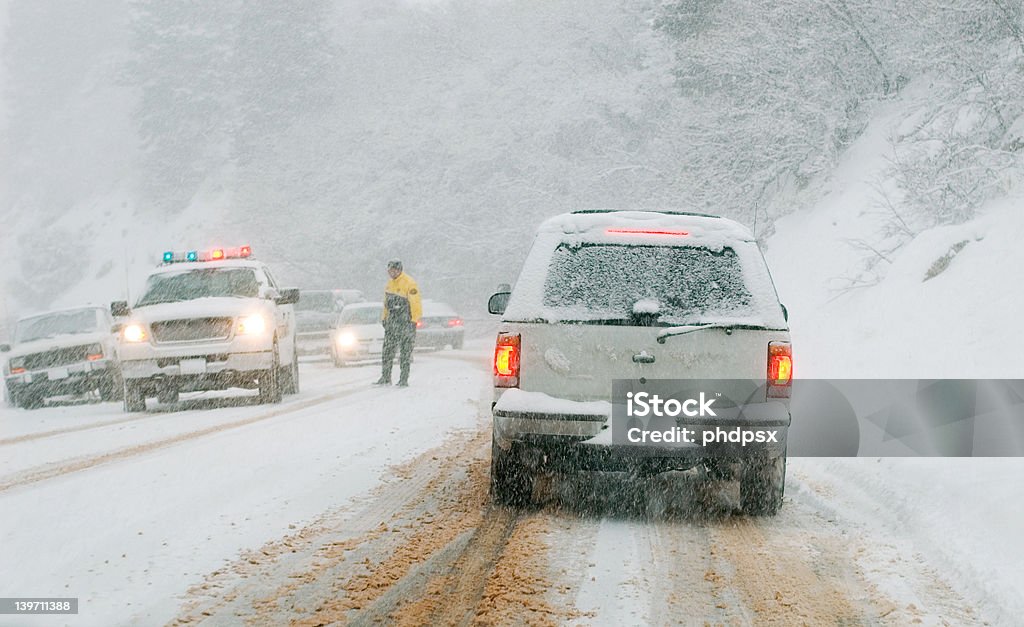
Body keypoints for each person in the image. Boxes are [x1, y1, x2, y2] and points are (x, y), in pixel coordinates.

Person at [375, 259, 422, 387]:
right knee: (387, 351)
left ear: (400, 270)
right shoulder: (389, 284)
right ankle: (385, 377)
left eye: (394, 270)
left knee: (405, 353)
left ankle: (403, 379)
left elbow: (416, 303)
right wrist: (384, 318)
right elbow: (386, 304)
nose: (392, 273)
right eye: (390, 270)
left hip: (405, 322)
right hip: (392, 323)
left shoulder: (409, 283)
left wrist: (414, 321)